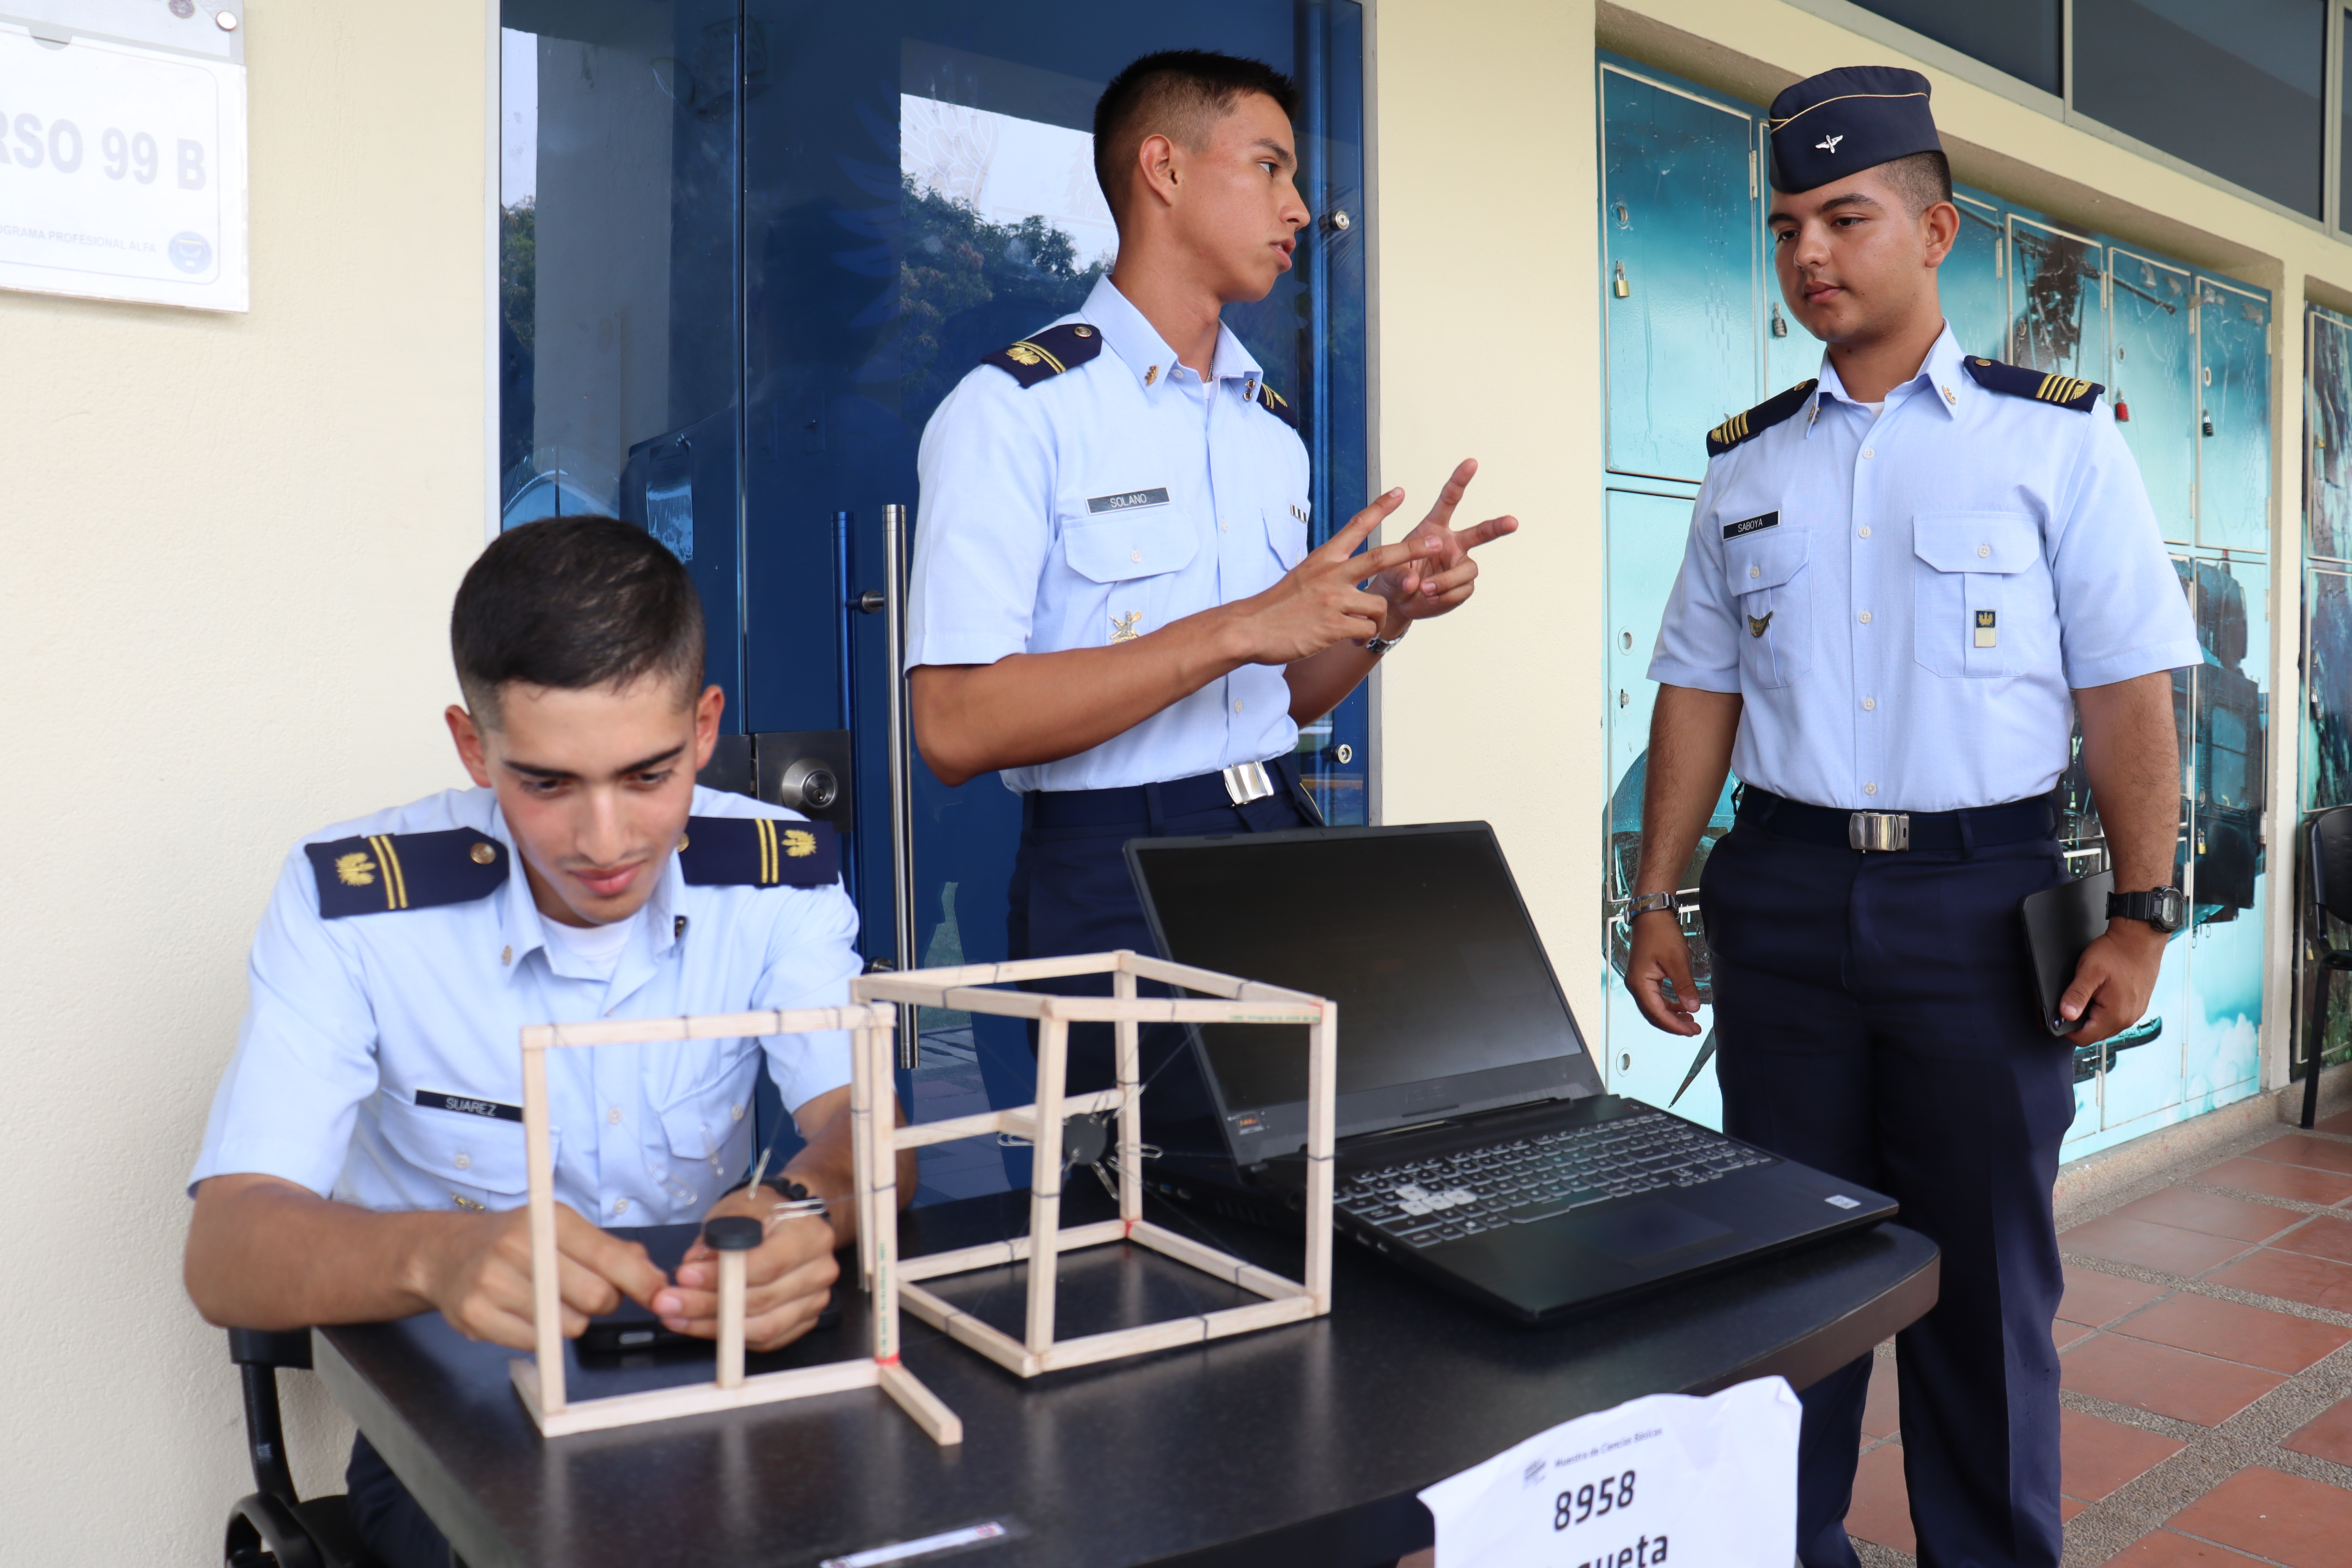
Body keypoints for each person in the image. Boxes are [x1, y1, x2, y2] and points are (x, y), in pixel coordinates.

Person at [1626, 66, 2199, 1568]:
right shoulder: (1746, 463)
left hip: (1979, 903)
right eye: (1785, 227)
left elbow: (2129, 696)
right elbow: (1697, 692)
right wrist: (1656, 897)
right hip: (1785, 901)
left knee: (1985, 1286)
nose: (1810, 252)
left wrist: (2144, 916)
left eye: (1846, 217)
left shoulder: (2056, 441)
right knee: (1788, 1282)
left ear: (1936, 230)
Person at [183, 516, 913, 1568]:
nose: (606, 842)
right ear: (473, 747)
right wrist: (439, 1257)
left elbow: (868, 1128)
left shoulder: (776, 873)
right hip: (464, 1415)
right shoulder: (352, 906)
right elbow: (225, 1253)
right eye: (549, 784)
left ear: (706, 727)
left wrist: (805, 1207)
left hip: (719, 1375)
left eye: (650, 776)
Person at [906, 48, 1515, 1097]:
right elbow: (955, 728)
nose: (1299, 208)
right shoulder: (1014, 413)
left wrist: (1385, 614)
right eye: (1270, 167)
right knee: (1133, 1185)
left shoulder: (1267, 431)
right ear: (1166, 168)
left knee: (1302, 1169)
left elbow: (1275, 695)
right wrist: (1237, 627)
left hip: (1274, 835)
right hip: (1112, 870)